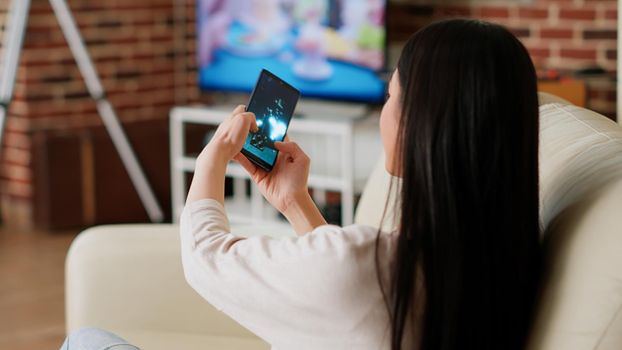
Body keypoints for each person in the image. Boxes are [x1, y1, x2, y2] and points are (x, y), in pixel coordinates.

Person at [62, 18, 541, 350]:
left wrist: (213, 156)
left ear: (423, 122)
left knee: (85, 340)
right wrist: (295, 203)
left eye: (391, 96)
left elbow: (205, 257)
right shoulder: (498, 260)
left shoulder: (370, 266)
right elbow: (348, 302)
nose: (385, 111)